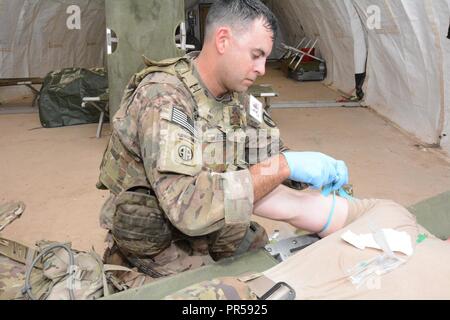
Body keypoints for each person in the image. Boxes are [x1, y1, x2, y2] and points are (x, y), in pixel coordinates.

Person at [97, 0, 348, 278]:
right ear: (223, 40)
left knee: (270, 265)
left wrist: (310, 175)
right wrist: (284, 165)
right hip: (159, 236)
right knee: (222, 292)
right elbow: (188, 207)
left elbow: (269, 152)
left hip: (213, 223)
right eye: (256, 55)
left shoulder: (236, 97)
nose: (263, 68)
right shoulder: (165, 98)